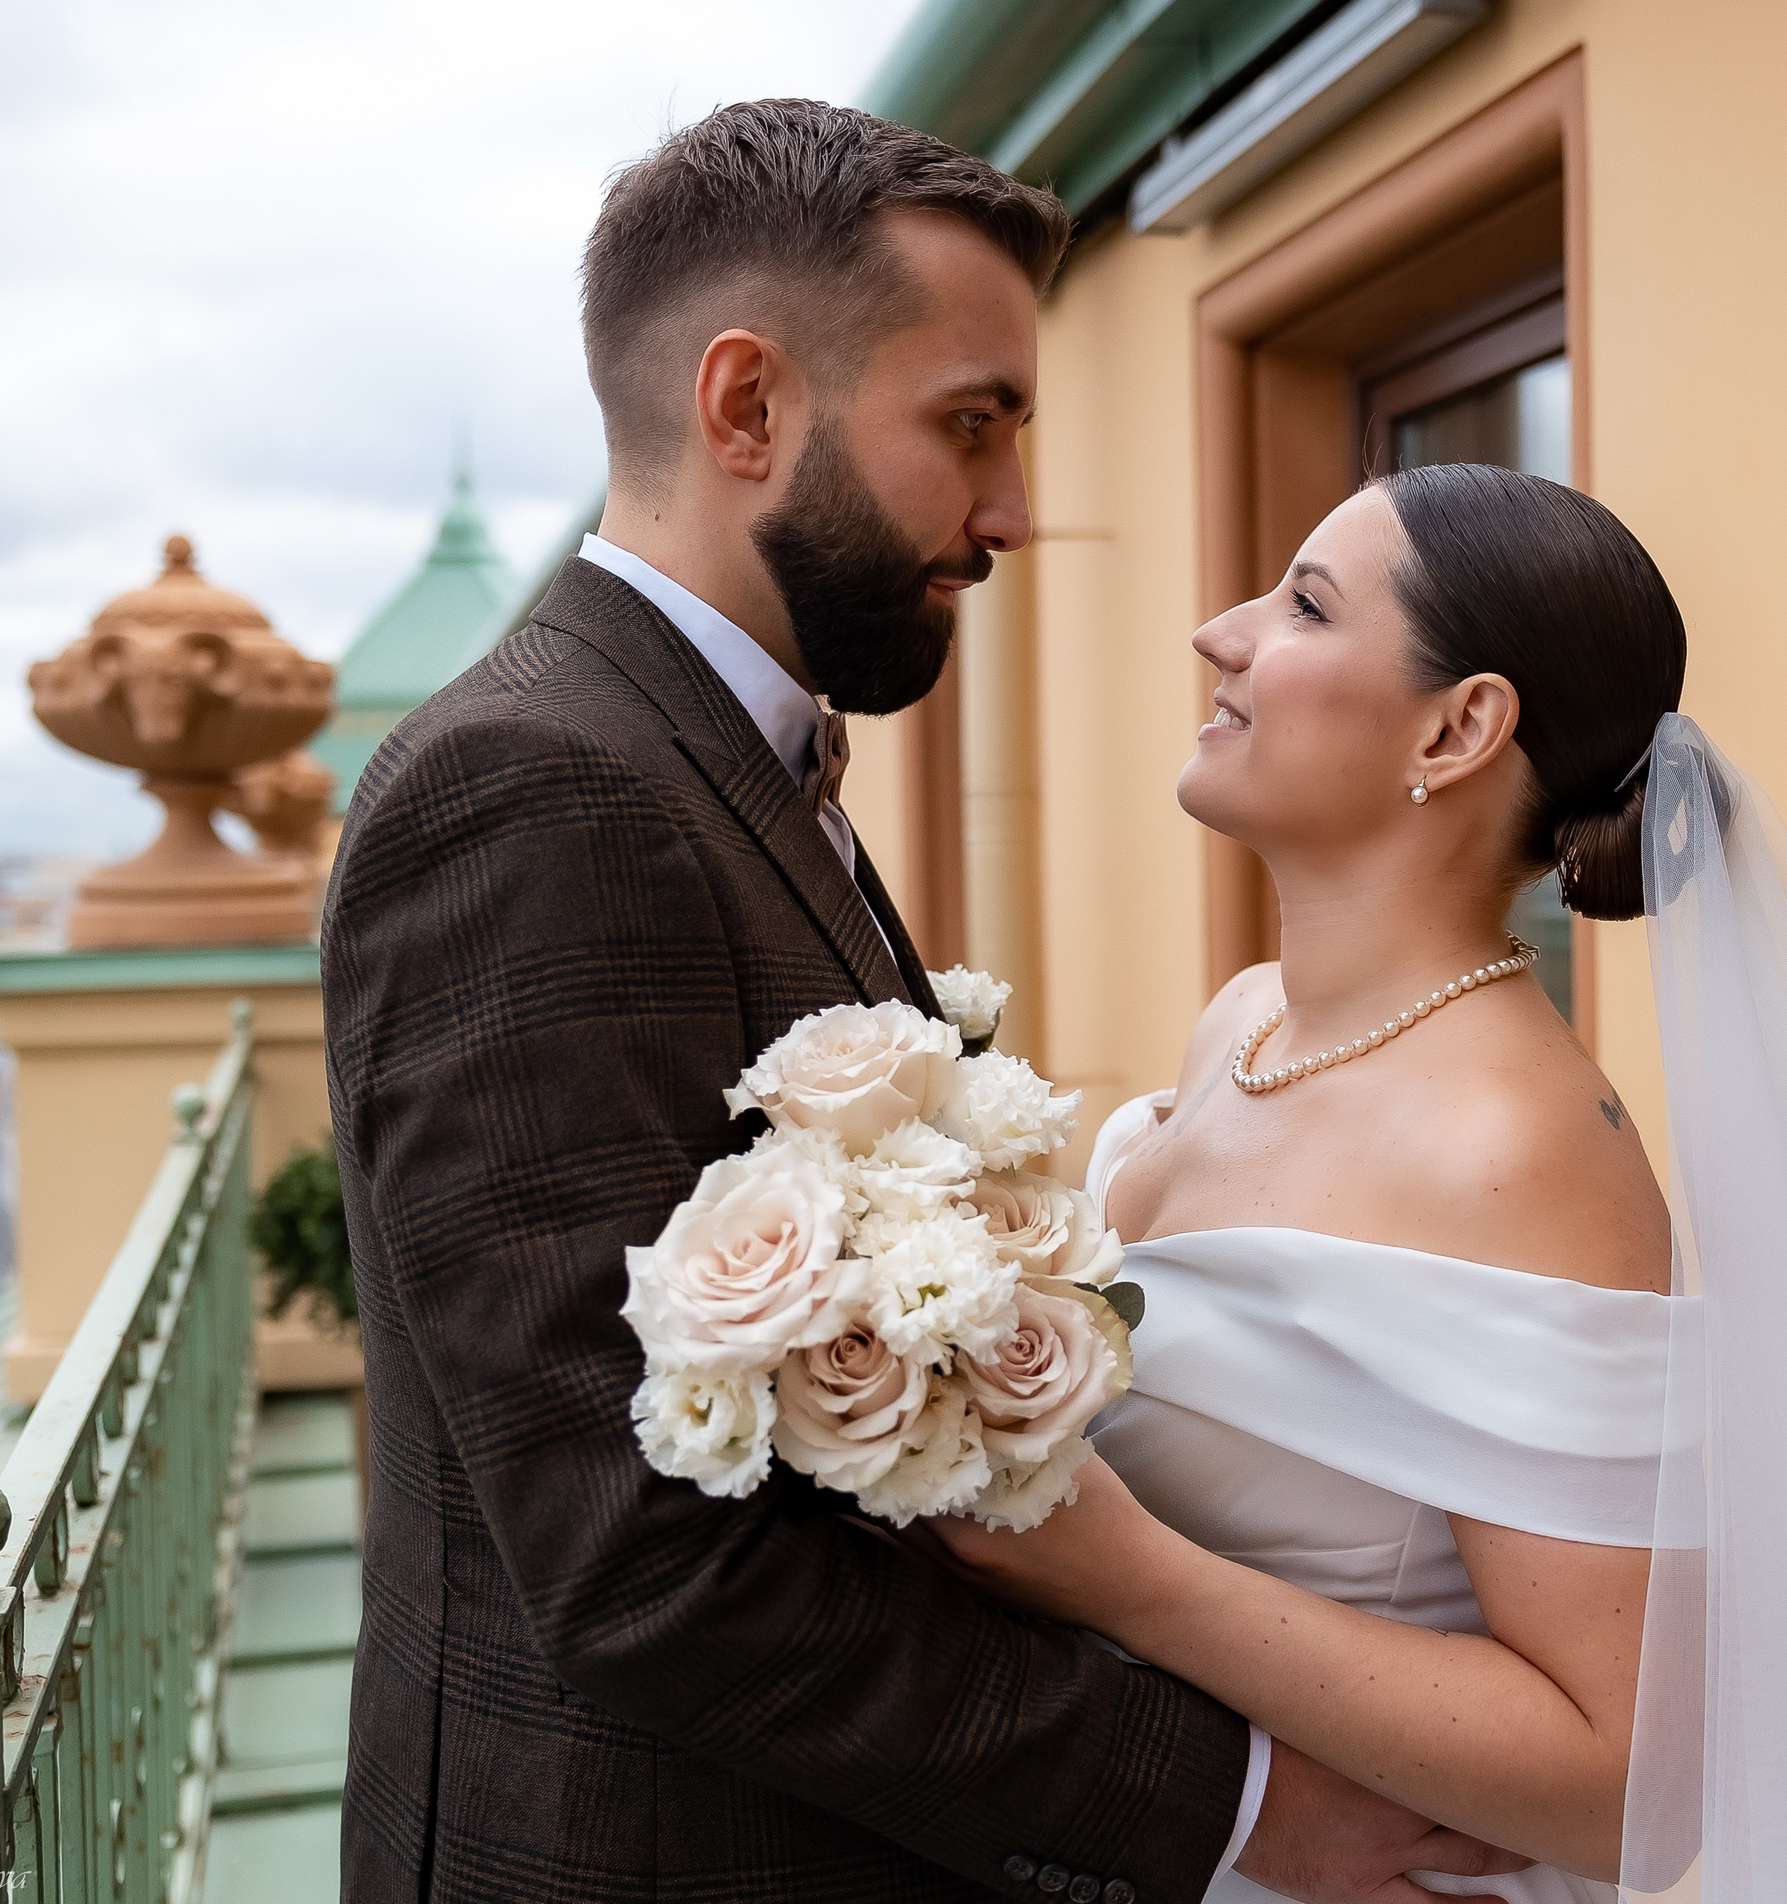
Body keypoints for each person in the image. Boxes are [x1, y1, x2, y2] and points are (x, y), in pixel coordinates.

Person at [321, 101, 1515, 1904]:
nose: (1014, 514)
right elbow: (638, 1563)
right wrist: (1233, 1805)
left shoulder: (725, 750)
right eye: (972, 426)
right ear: (748, 409)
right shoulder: (540, 786)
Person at [928, 463, 1787, 1904]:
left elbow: (1621, 1784)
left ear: (1461, 727)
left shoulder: (1515, 1154)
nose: (1222, 629)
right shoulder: (1245, 1019)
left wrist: (1130, 1578)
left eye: (1305, 605)